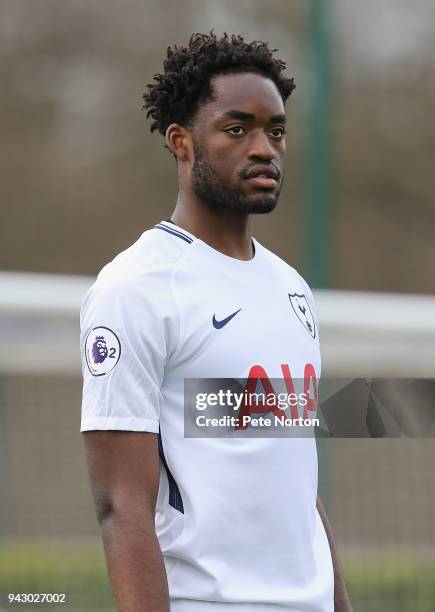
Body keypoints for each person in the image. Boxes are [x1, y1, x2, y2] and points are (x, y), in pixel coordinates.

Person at [80, 31, 352, 612]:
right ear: (181, 142)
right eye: (238, 129)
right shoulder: (137, 288)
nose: (265, 148)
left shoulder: (291, 288)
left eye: (275, 131)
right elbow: (121, 505)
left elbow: (295, 475)